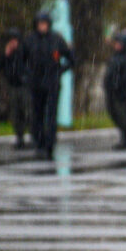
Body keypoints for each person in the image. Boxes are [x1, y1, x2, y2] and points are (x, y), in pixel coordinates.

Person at [22, 11, 73, 160]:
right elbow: (21, 60)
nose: (42, 27)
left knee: (51, 114)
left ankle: (50, 142)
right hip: (36, 83)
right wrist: (28, 74)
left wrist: (60, 71)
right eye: (39, 24)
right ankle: (39, 142)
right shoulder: (30, 40)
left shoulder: (56, 39)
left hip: (52, 83)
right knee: (37, 114)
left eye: (44, 24)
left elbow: (71, 58)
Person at [0, 30, 31, 150]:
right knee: (16, 112)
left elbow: (28, 64)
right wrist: (6, 55)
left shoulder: (24, 51)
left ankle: (33, 135)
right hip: (13, 85)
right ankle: (19, 136)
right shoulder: (8, 53)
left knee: (27, 110)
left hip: (24, 85)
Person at [104, 31, 126, 148]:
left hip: (121, 92)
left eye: (119, 43)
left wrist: (118, 86)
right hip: (112, 91)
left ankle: (125, 137)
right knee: (113, 113)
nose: (117, 45)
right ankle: (125, 135)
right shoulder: (115, 57)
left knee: (122, 115)